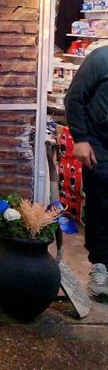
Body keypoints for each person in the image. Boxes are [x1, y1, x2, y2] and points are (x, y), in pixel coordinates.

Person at [64, 45, 108, 299]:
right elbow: (74, 98)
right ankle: (100, 266)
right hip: (99, 145)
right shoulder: (101, 59)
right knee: (100, 203)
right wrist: (80, 138)